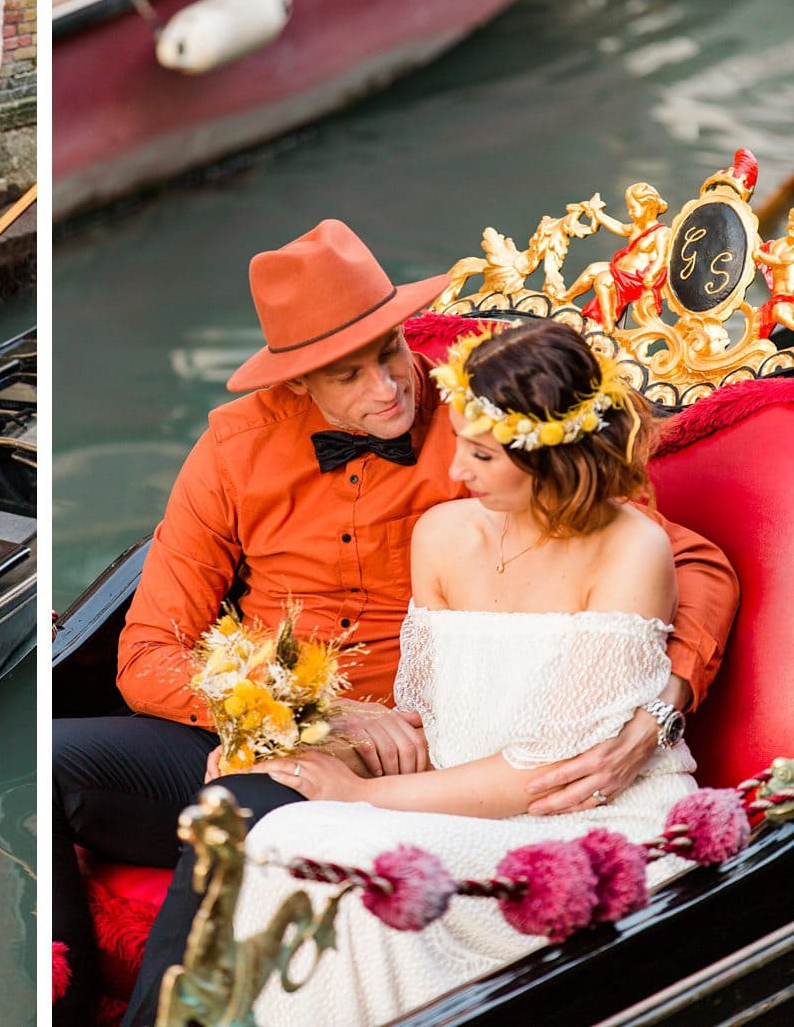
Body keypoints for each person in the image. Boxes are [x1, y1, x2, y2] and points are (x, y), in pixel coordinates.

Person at [50, 220, 738, 1026]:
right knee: (49, 758)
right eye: (352, 373)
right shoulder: (234, 450)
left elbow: (692, 563)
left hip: (420, 749)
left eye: (390, 349)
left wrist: (662, 704)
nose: (390, 386)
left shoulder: (487, 428)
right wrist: (302, 716)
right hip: (266, 726)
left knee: (233, 818)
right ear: (297, 384)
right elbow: (147, 655)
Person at [228, 319, 702, 1025]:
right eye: (459, 445)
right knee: (274, 839)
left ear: (549, 457)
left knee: (352, 868)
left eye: (480, 454)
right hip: (458, 799)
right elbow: (432, 720)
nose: (456, 472)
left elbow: (549, 775)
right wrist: (304, 748)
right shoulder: (442, 535)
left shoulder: (632, 550)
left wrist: (358, 794)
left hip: (592, 817)